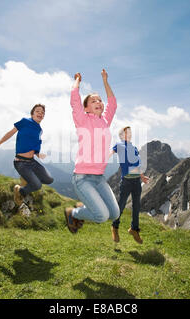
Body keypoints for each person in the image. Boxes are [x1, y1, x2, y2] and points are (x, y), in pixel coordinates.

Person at [64, 69, 120, 234]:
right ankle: (73, 213)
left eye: (100, 100)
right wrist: (77, 81)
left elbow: (113, 103)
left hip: (99, 178)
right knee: (101, 216)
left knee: (114, 214)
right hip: (82, 178)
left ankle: (84, 208)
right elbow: (74, 100)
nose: (99, 102)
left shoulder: (105, 121)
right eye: (94, 100)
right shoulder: (82, 120)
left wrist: (105, 81)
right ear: (87, 108)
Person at [0, 104, 53, 206]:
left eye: (42, 113)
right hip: (20, 162)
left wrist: (38, 154)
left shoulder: (40, 130)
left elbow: (34, 145)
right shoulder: (25, 121)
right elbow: (10, 133)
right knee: (37, 185)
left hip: (32, 161)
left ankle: (28, 180)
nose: (40, 114)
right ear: (32, 114)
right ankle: (19, 191)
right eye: (38, 111)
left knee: (49, 179)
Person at [110, 126, 150, 244]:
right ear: (122, 136)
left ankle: (134, 229)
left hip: (136, 181)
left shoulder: (134, 148)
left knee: (136, 207)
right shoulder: (119, 146)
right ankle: (115, 227)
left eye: (130, 133)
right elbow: (109, 153)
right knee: (121, 205)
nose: (130, 134)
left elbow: (136, 165)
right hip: (126, 182)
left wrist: (142, 176)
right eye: (127, 133)